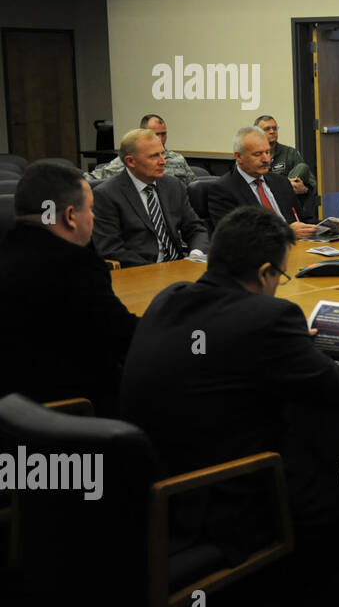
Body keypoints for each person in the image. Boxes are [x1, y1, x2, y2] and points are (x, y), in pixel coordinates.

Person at [120, 206, 339, 564]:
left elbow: (228, 351)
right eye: (280, 275)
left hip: (152, 489)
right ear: (265, 273)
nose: (279, 284)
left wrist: (289, 349)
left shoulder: (168, 298)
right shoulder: (270, 318)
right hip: (232, 497)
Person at [0, 161, 137, 416]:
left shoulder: (7, 252)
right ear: (71, 216)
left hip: (13, 416)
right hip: (75, 412)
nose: (93, 218)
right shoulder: (76, 265)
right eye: (91, 209)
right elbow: (125, 338)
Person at [91, 127, 210, 267]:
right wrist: (158, 270)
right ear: (130, 161)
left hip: (178, 266)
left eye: (162, 154)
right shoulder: (106, 195)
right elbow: (111, 250)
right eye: (154, 156)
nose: (163, 161)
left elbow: (195, 228)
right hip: (139, 272)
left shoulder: (173, 186)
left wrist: (195, 255)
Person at [208, 126, 325, 240]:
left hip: (297, 248)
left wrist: (328, 227)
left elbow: (303, 219)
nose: (266, 159)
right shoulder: (223, 189)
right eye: (257, 154)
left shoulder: (280, 182)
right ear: (238, 157)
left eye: (267, 152)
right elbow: (234, 236)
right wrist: (285, 232)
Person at [87, 114, 198, 186]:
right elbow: (93, 178)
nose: (159, 139)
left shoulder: (177, 159)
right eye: (155, 134)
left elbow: (194, 186)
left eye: (163, 134)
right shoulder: (132, 159)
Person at [254, 114, 317, 205]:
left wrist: (304, 190)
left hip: (287, 205)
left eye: (275, 128)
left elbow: (313, 186)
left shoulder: (290, 153)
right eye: (267, 129)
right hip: (261, 202)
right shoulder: (251, 156)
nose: (272, 131)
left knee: (302, 167)